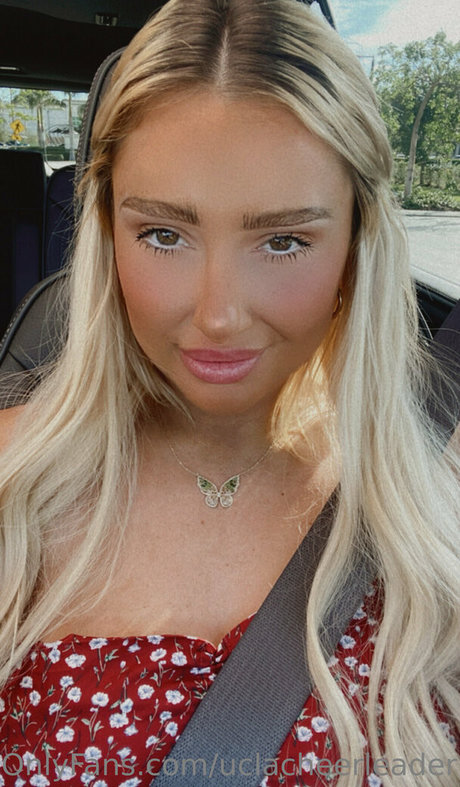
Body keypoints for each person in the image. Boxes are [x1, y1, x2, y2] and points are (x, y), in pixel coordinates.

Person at [0, 0, 459, 784]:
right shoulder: (14, 485)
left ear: (356, 245)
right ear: (107, 232)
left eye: (283, 240)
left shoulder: (435, 502)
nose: (218, 314)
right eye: (164, 234)